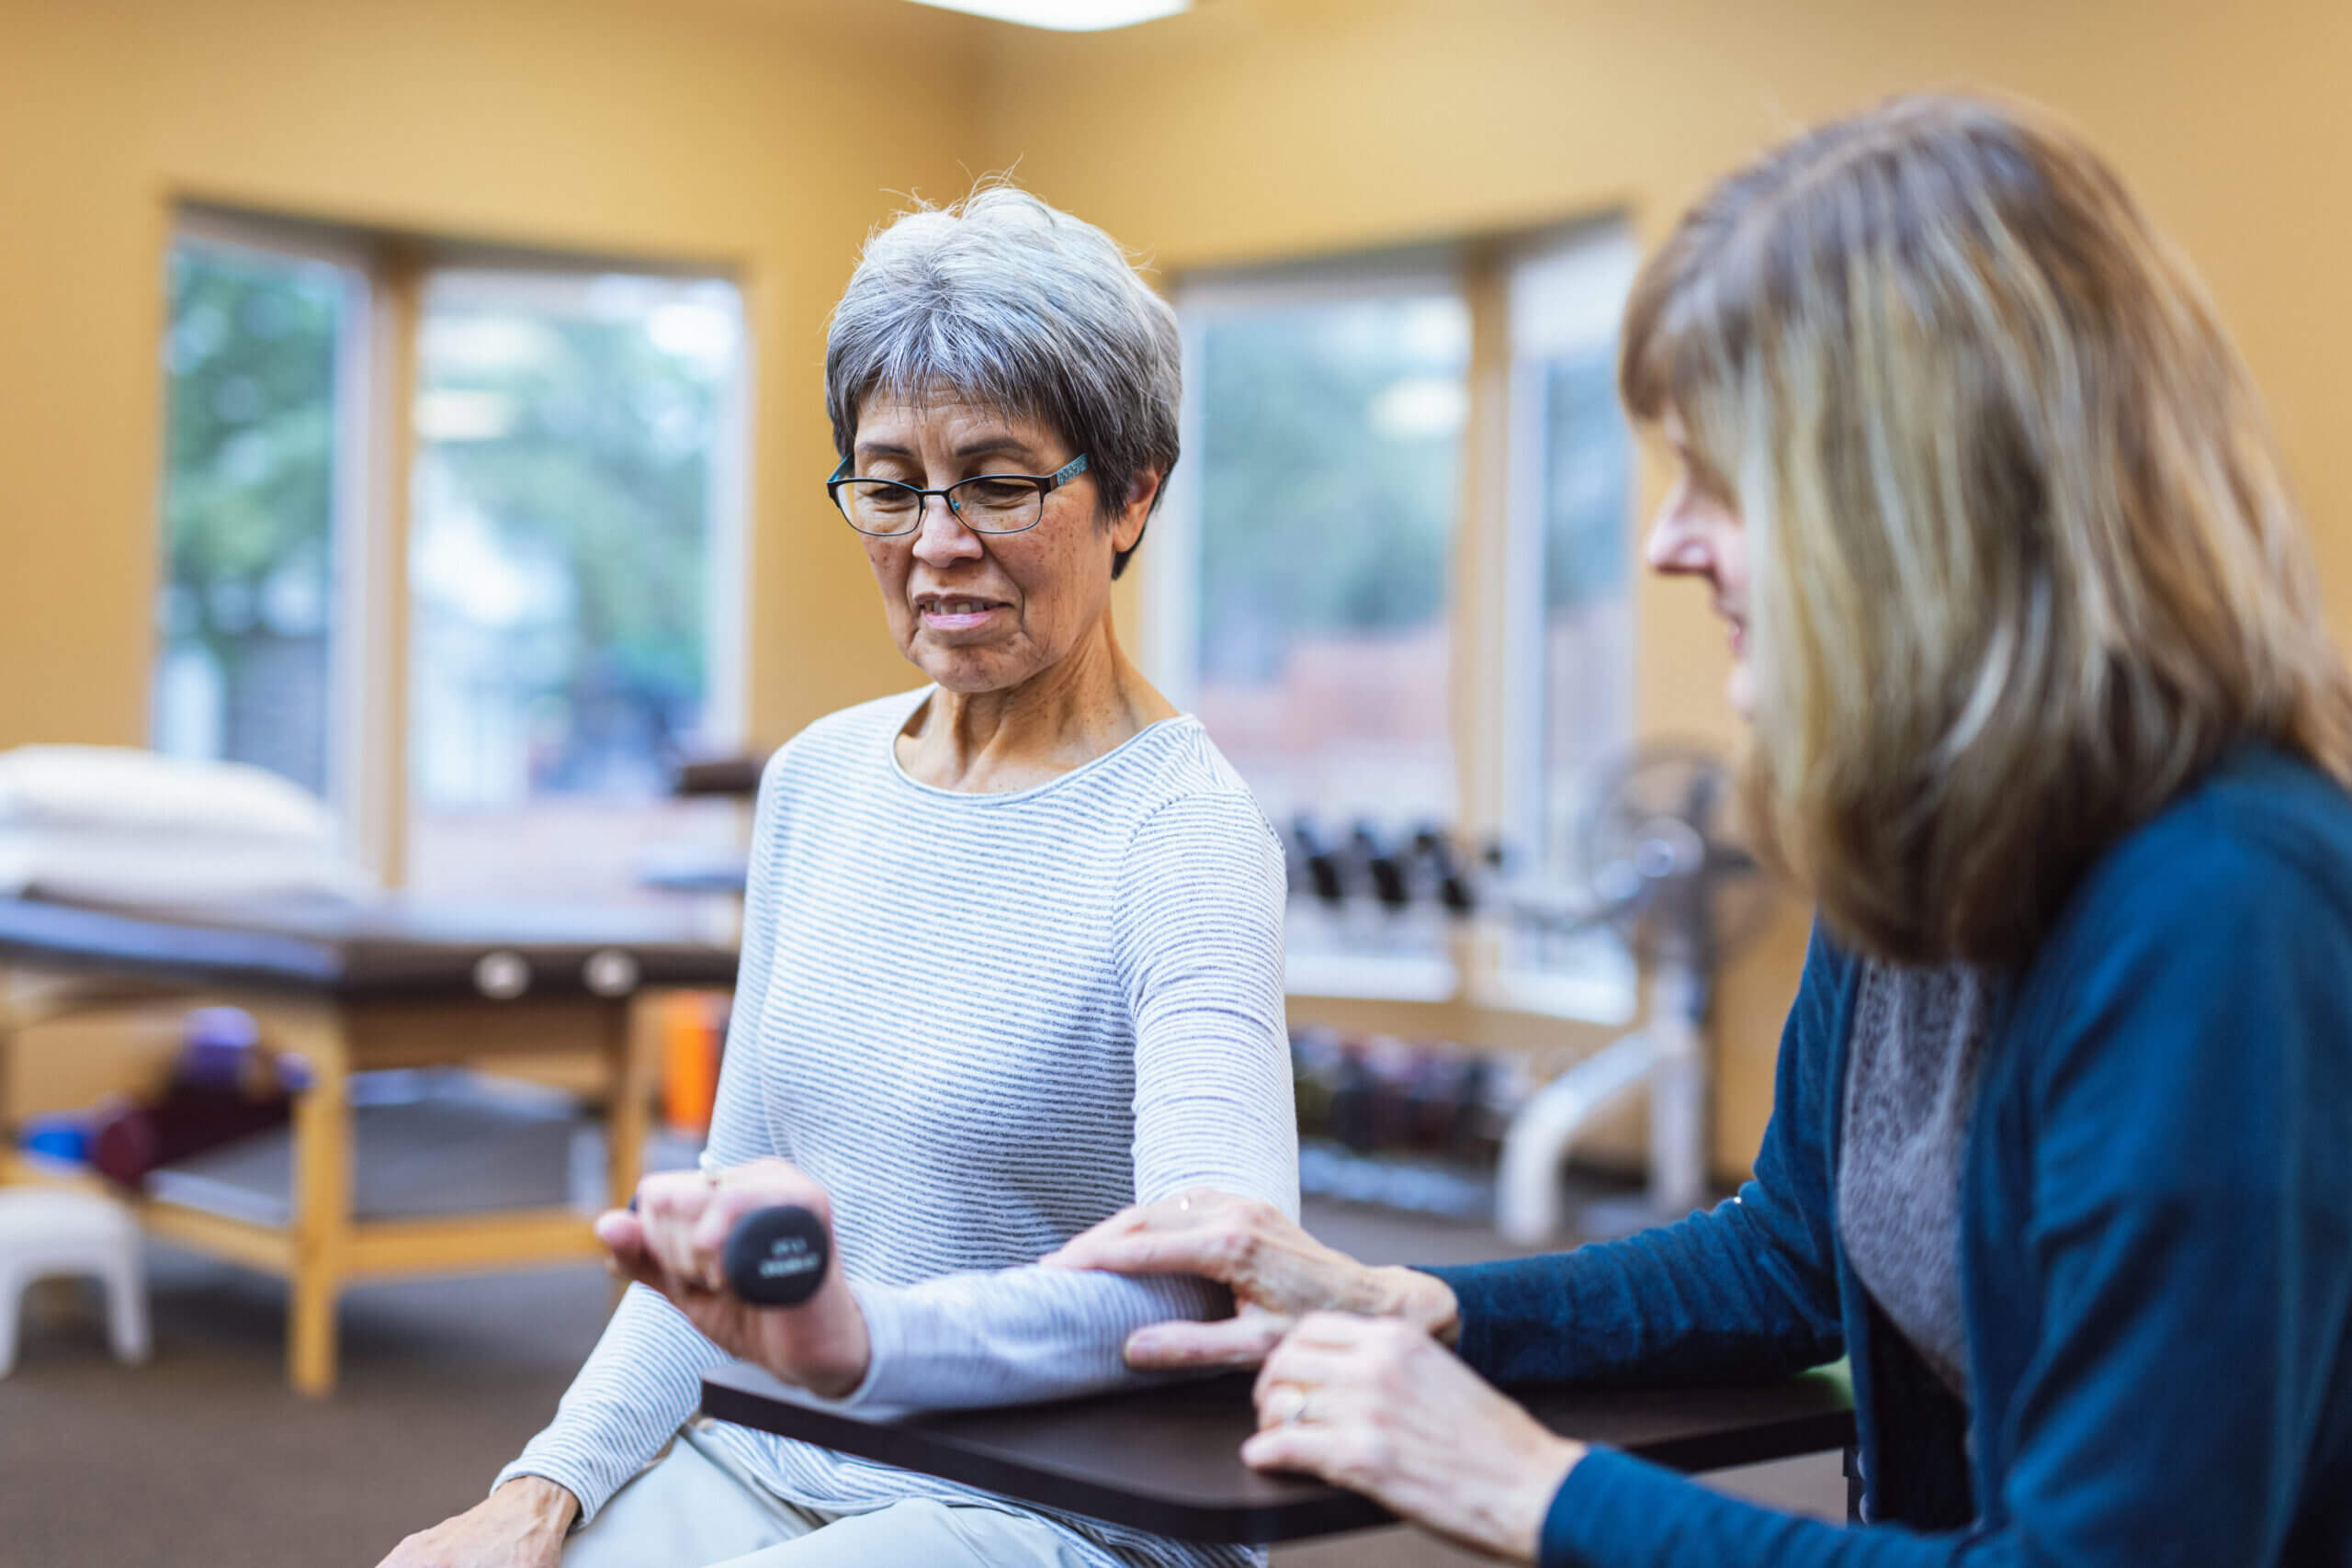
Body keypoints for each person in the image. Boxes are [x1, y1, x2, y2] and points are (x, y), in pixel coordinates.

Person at [1047, 95, 2352, 1566]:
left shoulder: (2219, 912)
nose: (1668, 542)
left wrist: (1533, 1490)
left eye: (1718, 479)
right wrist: (1433, 1304)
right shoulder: (1941, 843)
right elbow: (1792, 1255)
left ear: (1912, 500)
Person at [378, 186, 1297, 1568]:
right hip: (770, 1448)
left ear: (1133, 493)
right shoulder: (817, 781)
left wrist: (859, 1346)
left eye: (998, 480)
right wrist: (543, 1487)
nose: (935, 540)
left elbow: (1203, 1276)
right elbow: (732, 1189)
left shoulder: (1184, 835)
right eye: (889, 482)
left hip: (1055, 1505)